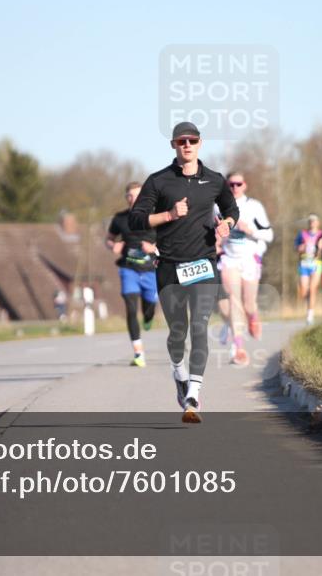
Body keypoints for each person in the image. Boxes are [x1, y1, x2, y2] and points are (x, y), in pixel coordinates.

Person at [128, 121, 238, 423]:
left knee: (200, 327)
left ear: (200, 143)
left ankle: (193, 395)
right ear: (173, 145)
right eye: (180, 141)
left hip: (203, 264)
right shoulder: (159, 181)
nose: (186, 145)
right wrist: (168, 214)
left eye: (191, 140)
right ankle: (179, 374)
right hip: (170, 268)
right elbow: (136, 220)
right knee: (178, 332)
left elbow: (232, 209)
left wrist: (227, 223)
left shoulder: (215, 181)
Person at [215, 171, 273, 366]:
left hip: (249, 258)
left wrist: (250, 230)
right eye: (230, 185)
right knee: (233, 301)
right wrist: (215, 241)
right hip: (229, 258)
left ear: (244, 185)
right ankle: (239, 348)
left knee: (248, 304)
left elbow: (269, 234)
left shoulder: (254, 206)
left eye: (238, 184)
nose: (234, 188)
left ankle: (253, 316)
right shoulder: (217, 206)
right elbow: (209, 230)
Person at [107, 181, 159, 367]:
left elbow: (168, 241)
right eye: (130, 195)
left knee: (148, 309)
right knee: (130, 307)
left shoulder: (154, 217)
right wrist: (114, 246)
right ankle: (138, 353)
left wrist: (153, 247)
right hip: (128, 269)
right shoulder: (120, 218)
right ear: (126, 198)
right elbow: (109, 239)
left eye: (137, 195)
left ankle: (148, 317)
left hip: (151, 270)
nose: (133, 199)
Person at [294, 214, 322, 325]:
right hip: (304, 263)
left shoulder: (321, 235)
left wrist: (320, 249)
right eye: (311, 221)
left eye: (314, 221)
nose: (312, 223)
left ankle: (310, 314)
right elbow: (296, 246)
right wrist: (300, 248)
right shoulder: (302, 234)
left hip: (316, 263)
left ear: (318, 223)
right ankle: (309, 306)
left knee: (312, 289)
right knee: (304, 291)